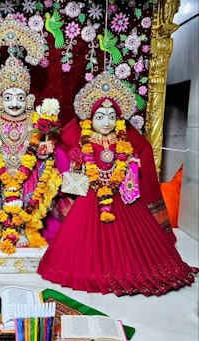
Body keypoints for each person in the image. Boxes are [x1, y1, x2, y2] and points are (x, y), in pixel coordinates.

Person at [37, 72, 198, 296]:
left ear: (119, 119)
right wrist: (77, 163)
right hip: (90, 198)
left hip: (122, 197)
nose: (106, 122)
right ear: (89, 119)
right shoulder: (85, 140)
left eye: (111, 116)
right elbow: (72, 163)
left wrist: (131, 164)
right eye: (100, 116)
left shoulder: (123, 141)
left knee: (131, 247)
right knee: (84, 245)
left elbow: (132, 163)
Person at [0, 15, 61, 254]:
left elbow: (44, 147)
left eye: (20, 97)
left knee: (30, 191)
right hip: (0, 172)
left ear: (30, 100)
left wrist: (44, 149)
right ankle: (3, 226)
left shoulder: (36, 122)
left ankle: (23, 228)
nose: (14, 103)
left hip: (27, 171)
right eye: (9, 97)